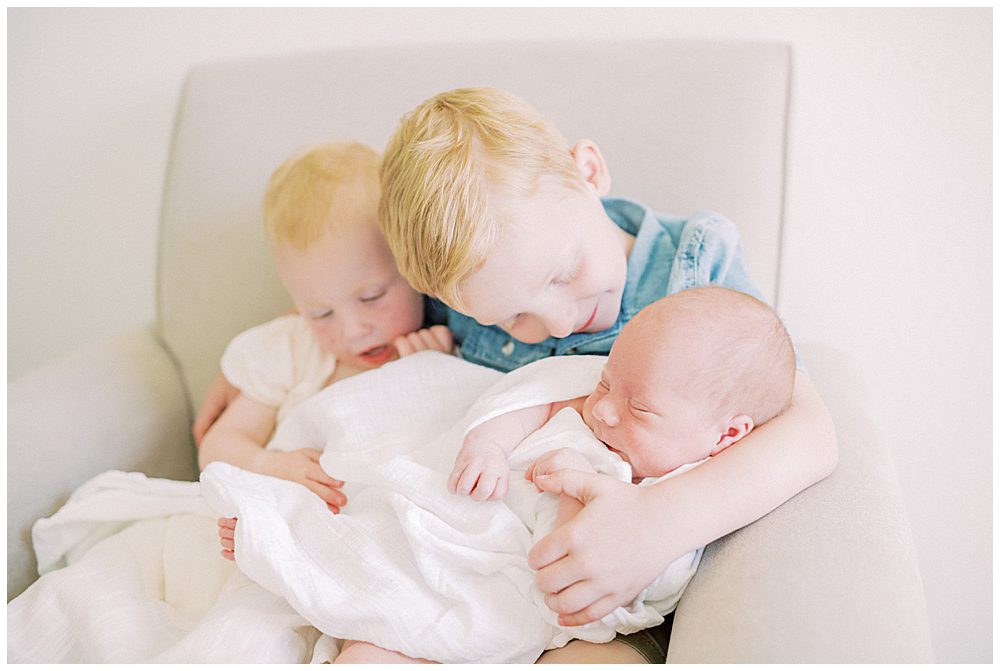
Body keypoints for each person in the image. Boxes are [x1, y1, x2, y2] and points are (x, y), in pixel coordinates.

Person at [376, 87, 838, 663]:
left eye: (564, 273)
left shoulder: (692, 273)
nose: (561, 322)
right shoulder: (472, 279)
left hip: (614, 584)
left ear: (588, 171)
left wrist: (657, 525)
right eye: (513, 318)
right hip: (479, 561)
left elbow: (811, 432)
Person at [213, 286, 795, 664]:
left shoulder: (689, 484)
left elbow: (640, 587)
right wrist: (488, 447)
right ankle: (287, 537)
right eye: (609, 382)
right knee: (378, 621)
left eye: (639, 408)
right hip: (462, 535)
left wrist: (581, 500)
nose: (608, 408)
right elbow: (534, 398)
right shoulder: (591, 402)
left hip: (529, 605)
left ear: (727, 436)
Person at [202, 140, 451, 664]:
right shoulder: (291, 349)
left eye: (371, 297)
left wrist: (435, 366)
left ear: (411, 263)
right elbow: (217, 444)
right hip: (300, 536)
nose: (352, 329)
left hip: (392, 545)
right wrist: (270, 463)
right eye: (320, 312)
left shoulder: (446, 328)